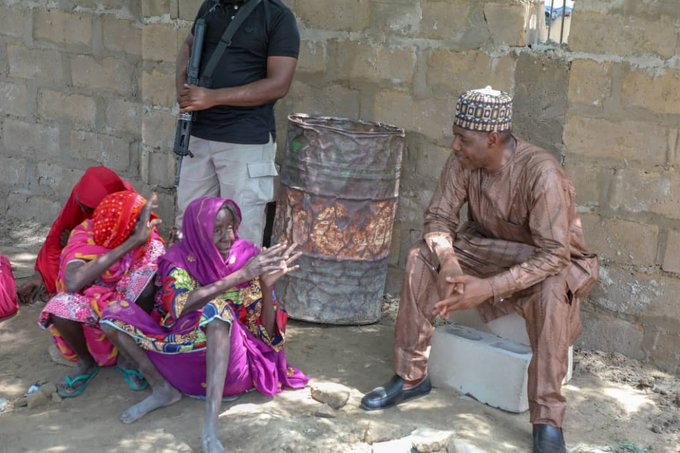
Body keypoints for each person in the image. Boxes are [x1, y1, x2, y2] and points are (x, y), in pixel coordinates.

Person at [360, 87, 598, 453]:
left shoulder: (542, 174)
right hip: (485, 247)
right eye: (455, 135)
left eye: (463, 138)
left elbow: (555, 255)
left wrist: (485, 289)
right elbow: (439, 217)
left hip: (545, 258)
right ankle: (410, 377)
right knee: (420, 258)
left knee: (552, 288)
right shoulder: (463, 162)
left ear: (492, 139)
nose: (455, 146)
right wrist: (451, 263)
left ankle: (548, 419)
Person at [100, 197, 308, 453]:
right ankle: (162, 389)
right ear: (198, 232)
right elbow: (180, 306)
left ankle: (210, 427)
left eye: (230, 227)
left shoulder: (247, 256)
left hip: (234, 367)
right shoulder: (179, 259)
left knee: (217, 313)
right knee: (112, 314)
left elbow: (266, 336)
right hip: (181, 362)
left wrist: (267, 288)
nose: (227, 237)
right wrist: (241, 276)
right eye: (217, 230)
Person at [174, 0, 300, 246]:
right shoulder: (210, 6)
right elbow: (188, 46)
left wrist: (213, 98)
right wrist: (183, 88)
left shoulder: (278, 17)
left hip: (245, 142)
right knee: (189, 227)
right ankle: (188, 285)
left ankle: (238, 286)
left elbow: (279, 84)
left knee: (241, 236)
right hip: (198, 136)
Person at [38, 190, 164, 398]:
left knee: (147, 283)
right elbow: (73, 282)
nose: (144, 226)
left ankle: (127, 356)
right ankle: (86, 362)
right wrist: (131, 242)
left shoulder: (148, 240)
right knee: (58, 306)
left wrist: (140, 239)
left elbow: (153, 276)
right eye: (138, 221)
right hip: (89, 308)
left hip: (124, 309)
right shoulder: (86, 233)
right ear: (120, 223)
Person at [17, 166, 132, 304]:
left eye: (88, 210)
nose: (82, 211)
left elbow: (124, 252)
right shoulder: (81, 195)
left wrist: (77, 246)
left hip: (114, 265)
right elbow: (56, 236)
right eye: (80, 206)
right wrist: (39, 275)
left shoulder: (128, 207)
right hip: (81, 258)